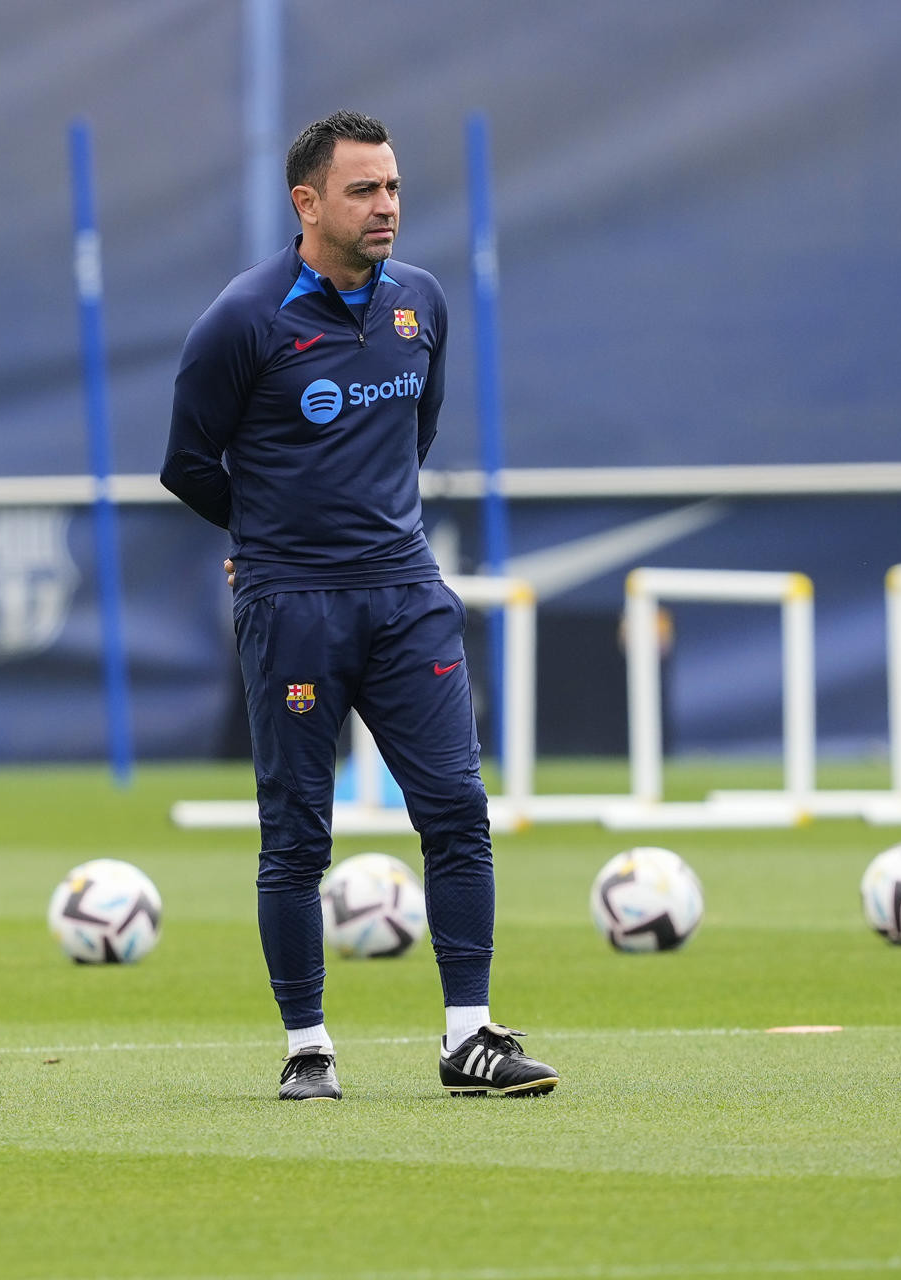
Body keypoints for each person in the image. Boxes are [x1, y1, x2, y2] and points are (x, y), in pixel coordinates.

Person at [160, 110, 558, 1102]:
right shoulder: (244, 319)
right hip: (292, 607)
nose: (386, 206)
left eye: (391, 188)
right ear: (308, 204)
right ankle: (308, 1045)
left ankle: (470, 1036)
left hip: (408, 596)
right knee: (298, 835)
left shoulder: (421, 302)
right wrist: (266, 541)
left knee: (459, 808)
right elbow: (184, 463)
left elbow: (410, 435)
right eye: (362, 191)